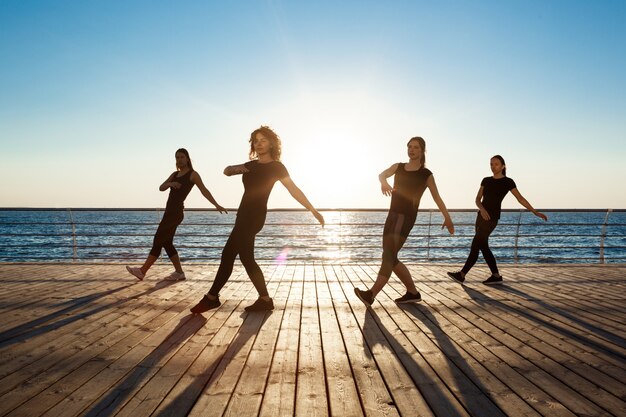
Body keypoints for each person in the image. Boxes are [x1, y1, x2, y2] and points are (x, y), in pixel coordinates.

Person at [190, 126, 324, 313]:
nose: (259, 144)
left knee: (228, 254)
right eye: (256, 140)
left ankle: (211, 297)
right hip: (242, 215)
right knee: (247, 259)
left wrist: (312, 209)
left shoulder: (277, 167)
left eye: (263, 140)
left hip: (255, 217)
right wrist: (237, 168)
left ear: (271, 143)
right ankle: (265, 299)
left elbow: (293, 190)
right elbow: (226, 171)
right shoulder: (251, 165)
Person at [354, 136, 455, 307]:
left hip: (406, 217)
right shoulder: (398, 167)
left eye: (415, 147)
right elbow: (382, 174)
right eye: (409, 146)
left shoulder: (426, 174)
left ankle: (371, 294)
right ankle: (412, 292)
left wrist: (448, 218)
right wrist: (384, 182)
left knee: (389, 255)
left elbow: (437, 197)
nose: (412, 150)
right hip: (392, 215)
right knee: (389, 255)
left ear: (422, 151)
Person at [126, 148, 226, 281]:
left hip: (176, 213)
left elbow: (204, 190)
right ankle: (179, 272)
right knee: (167, 243)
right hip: (168, 213)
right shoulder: (174, 174)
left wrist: (216, 205)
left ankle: (143, 271)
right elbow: (161, 187)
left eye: (182, 157)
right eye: (177, 157)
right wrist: (171, 183)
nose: (179, 160)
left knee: (158, 239)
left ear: (187, 159)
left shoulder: (193, 174)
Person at [447, 155, 547, 285]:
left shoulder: (508, 182)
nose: (493, 166)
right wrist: (482, 209)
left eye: (496, 164)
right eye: (491, 164)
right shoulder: (486, 180)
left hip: (492, 219)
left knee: (476, 245)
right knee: (483, 246)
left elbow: (520, 198)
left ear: (503, 166)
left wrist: (535, 211)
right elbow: (477, 199)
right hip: (480, 218)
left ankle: (462, 274)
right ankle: (495, 275)